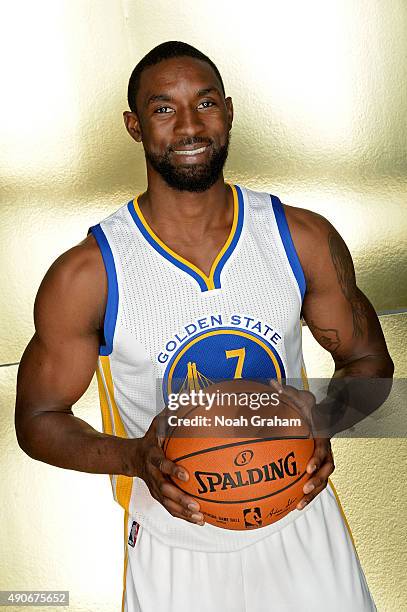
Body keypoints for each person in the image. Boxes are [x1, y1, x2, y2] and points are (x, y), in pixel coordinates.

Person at [15, 41, 393, 611]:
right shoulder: (88, 274)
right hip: (175, 545)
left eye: (206, 103)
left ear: (229, 111)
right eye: (164, 108)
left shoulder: (300, 238)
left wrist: (321, 419)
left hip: (300, 522)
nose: (189, 125)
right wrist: (134, 458)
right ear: (134, 126)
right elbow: (37, 419)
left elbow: (370, 365)